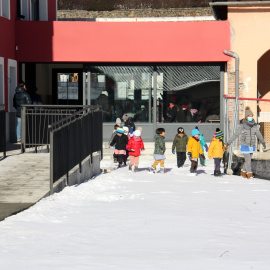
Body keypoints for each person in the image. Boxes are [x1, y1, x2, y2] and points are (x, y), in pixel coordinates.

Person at [226, 106, 266, 179]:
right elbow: (236, 134)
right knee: (248, 160)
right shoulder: (242, 125)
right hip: (244, 145)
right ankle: (249, 174)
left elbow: (259, 134)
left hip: (252, 145)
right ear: (246, 117)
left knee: (248, 160)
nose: (251, 117)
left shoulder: (254, 125)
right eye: (249, 116)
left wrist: (263, 142)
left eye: (251, 116)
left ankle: (243, 171)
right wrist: (229, 142)